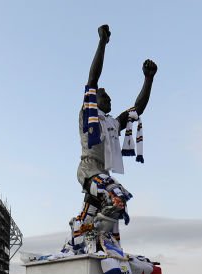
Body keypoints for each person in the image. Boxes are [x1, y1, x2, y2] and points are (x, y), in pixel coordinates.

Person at [70, 25, 157, 243]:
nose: (108, 98)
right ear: (94, 99)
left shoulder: (112, 123)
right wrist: (102, 43)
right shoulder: (89, 113)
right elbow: (93, 79)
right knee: (117, 196)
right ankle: (95, 234)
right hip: (89, 169)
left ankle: (80, 235)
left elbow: (137, 109)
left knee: (97, 214)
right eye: (104, 96)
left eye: (109, 96)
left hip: (103, 171)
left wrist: (149, 79)